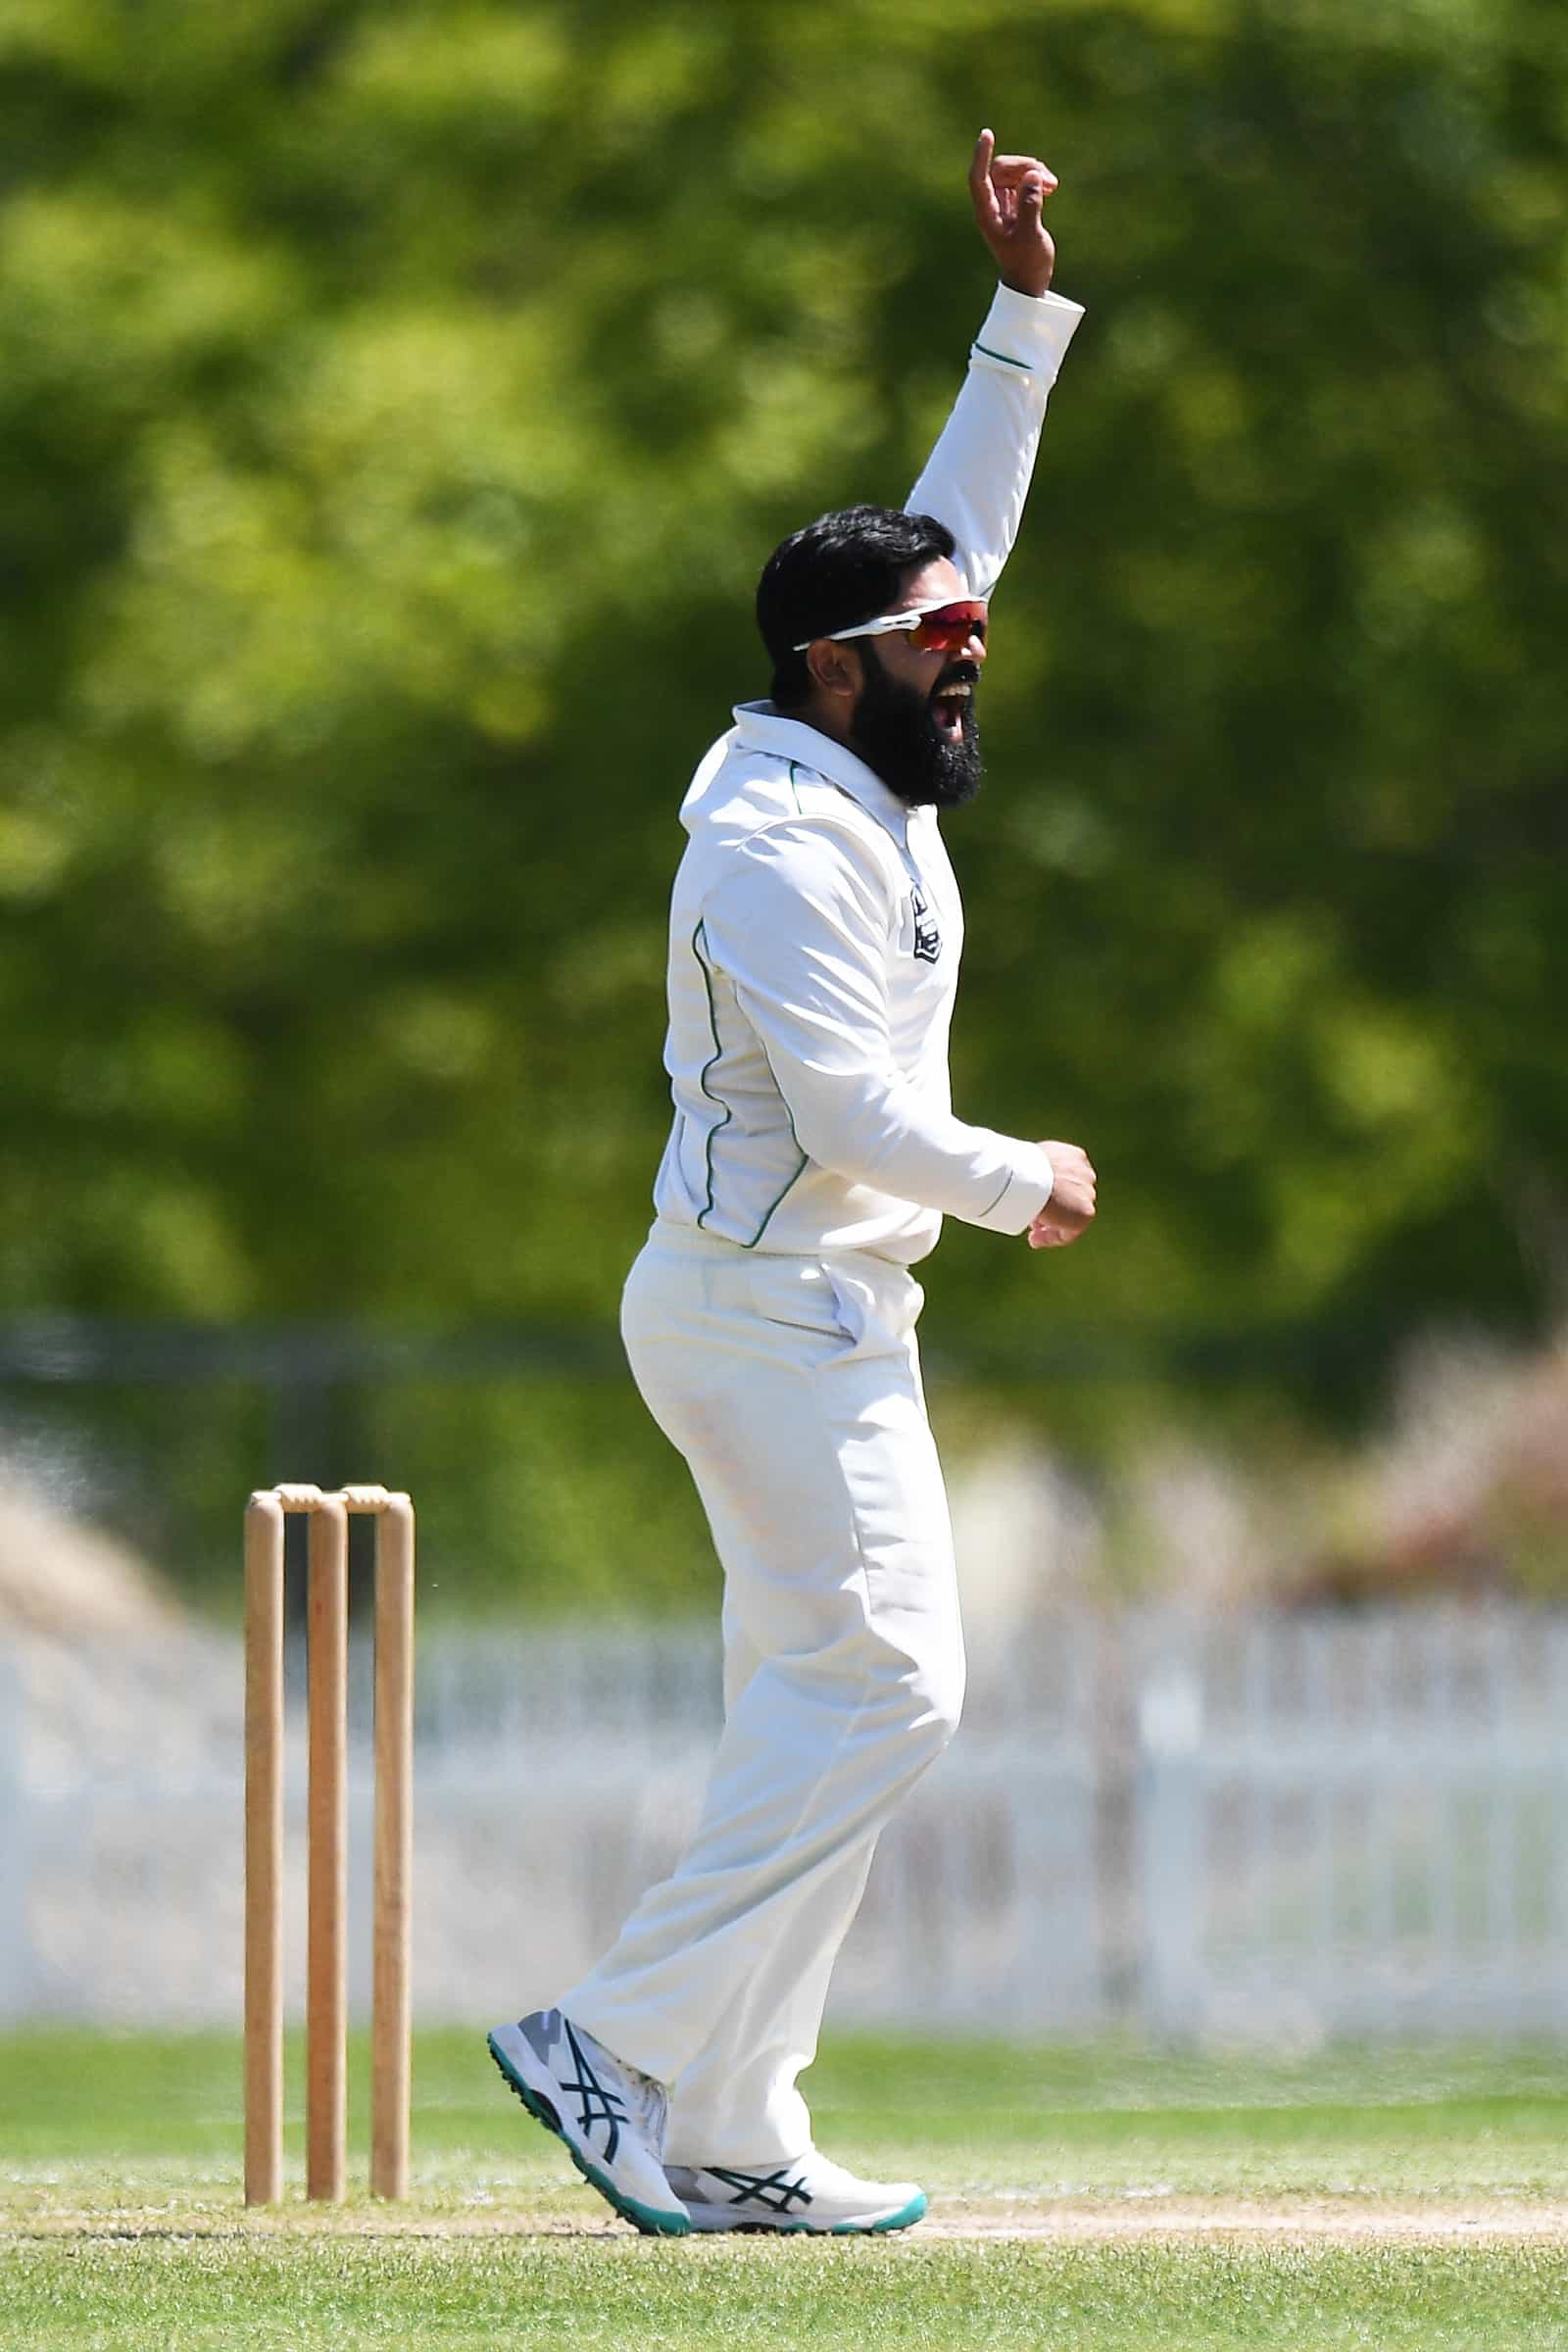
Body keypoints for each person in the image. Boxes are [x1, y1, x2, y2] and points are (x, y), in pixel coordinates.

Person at [489, 129, 1098, 2238]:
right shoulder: (769, 838)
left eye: (963, 632)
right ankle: (616, 2042)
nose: (967, 658)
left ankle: (738, 2131)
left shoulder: (870, 750)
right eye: (934, 641)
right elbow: (850, 1119)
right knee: (892, 1692)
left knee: (818, 1707)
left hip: (825, 1313)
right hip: (759, 1313)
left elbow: (971, 513)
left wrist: (1020, 308)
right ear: (831, 665)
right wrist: (1025, 1172)